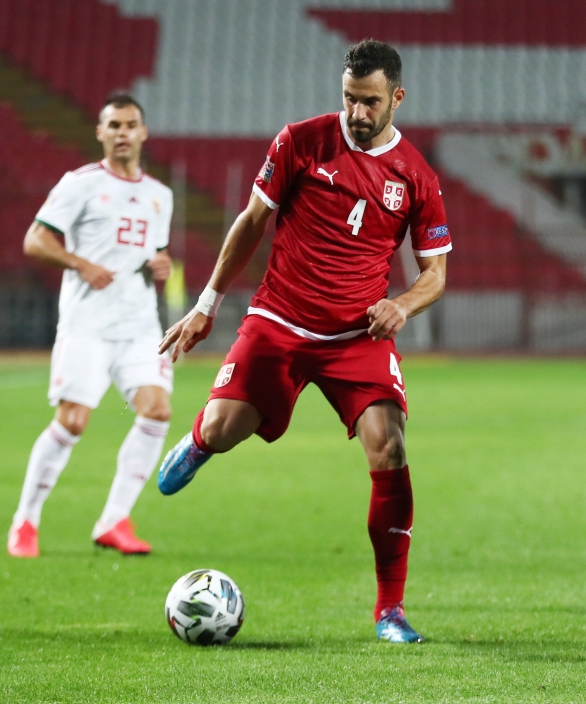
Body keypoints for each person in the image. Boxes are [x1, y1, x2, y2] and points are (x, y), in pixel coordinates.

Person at [155, 40, 451, 644]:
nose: (357, 113)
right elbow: (251, 222)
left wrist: (401, 304)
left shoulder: (417, 176)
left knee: (389, 447)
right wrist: (206, 305)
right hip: (280, 319)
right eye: (349, 98)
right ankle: (200, 441)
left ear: (397, 97)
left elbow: (436, 273)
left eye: (370, 102)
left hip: (357, 336)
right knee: (224, 428)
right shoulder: (301, 141)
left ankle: (390, 611)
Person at [9, 94, 174, 558]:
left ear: (143, 132)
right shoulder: (80, 183)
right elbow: (35, 239)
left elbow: (152, 256)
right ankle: (25, 521)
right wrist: (80, 263)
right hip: (87, 326)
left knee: (157, 411)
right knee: (73, 421)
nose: (122, 133)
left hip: (139, 326)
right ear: (100, 132)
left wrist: (159, 265)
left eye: (130, 124)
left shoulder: (160, 196)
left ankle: (114, 519)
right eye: (113, 125)